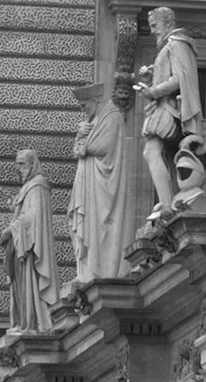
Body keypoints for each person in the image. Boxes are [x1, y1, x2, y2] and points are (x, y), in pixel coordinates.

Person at [134, 7, 200, 207]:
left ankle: (166, 203)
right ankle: (168, 201)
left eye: (155, 25)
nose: (153, 30)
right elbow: (170, 73)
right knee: (161, 154)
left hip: (170, 110)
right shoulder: (170, 46)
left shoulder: (177, 44)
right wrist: (151, 77)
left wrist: (153, 92)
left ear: (168, 23)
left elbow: (180, 78)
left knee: (152, 151)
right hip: (165, 107)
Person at [69, 82, 128, 284]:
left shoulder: (112, 116)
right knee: (88, 224)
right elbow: (79, 150)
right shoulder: (93, 121)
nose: (83, 110)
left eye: (84, 106)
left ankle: (99, 268)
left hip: (102, 185)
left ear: (94, 101)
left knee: (99, 224)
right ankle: (86, 269)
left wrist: (84, 137)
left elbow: (100, 146)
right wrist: (81, 135)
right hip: (89, 182)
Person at [1, 149, 58, 331]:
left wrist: (11, 229)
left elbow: (34, 218)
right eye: (17, 164)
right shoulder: (28, 187)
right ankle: (23, 321)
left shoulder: (38, 186)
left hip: (30, 248)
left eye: (22, 164)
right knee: (20, 285)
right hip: (21, 246)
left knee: (29, 283)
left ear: (32, 165)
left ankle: (32, 321)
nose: (19, 169)